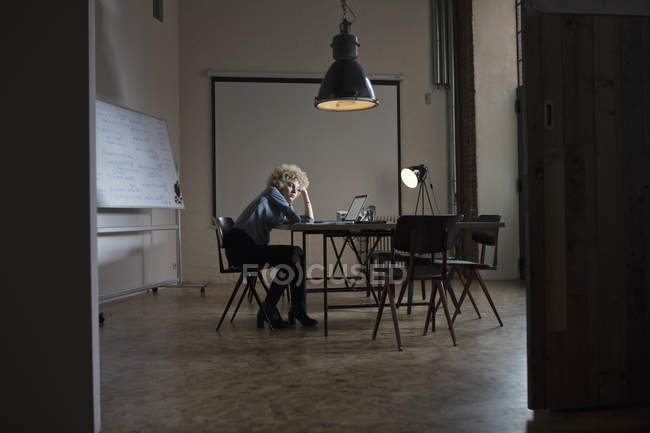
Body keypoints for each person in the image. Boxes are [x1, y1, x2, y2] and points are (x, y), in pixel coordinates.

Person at [223, 164, 317, 329]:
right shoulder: (271, 193)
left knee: (294, 258)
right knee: (293, 254)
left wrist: (306, 195)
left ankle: (285, 309)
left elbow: (309, 222)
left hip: (250, 248)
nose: (295, 190)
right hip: (240, 248)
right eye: (290, 185)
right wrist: (299, 199)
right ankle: (277, 309)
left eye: (298, 187)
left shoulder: (279, 211)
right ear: (279, 184)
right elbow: (295, 218)